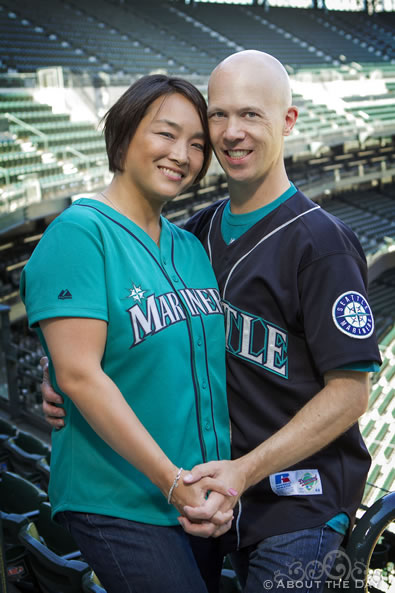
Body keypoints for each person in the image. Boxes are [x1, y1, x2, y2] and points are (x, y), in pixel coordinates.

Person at [40, 51, 382, 593]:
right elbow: (117, 330)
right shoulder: (192, 238)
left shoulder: (322, 243)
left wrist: (245, 470)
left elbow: (351, 394)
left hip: (299, 500)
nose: (230, 133)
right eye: (218, 116)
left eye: (251, 115)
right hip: (209, 501)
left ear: (288, 121)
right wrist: (58, 370)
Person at [20, 74, 235, 593]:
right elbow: (79, 374)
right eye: (166, 133)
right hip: (121, 498)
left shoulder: (188, 247)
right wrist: (173, 482)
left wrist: (205, 487)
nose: (181, 154)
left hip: (200, 498)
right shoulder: (79, 233)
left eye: (197, 145)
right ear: (124, 134)